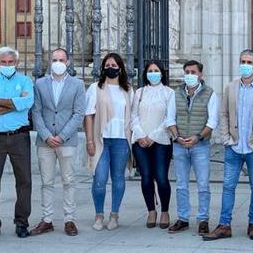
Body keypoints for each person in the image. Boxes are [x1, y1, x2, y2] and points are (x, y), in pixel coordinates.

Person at [204, 50, 253, 241]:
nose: (245, 65)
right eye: (242, 61)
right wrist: (226, 138)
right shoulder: (231, 87)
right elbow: (223, 114)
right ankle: (224, 225)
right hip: (234, 146)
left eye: (249, 62)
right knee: (228, 186)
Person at [0, 46, 34, 239]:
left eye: (11, 62)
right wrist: (14, 103)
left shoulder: (25, 81)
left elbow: (27, 103)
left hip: (19, 137)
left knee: (24, 181)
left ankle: (21, 223)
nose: (7, 65)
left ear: (16, 63)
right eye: (4, 62)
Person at [29, 48, 86, 237]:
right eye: (54, 59)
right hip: (45, 142)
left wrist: (62, 136)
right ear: (49, 62)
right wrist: (46, 135)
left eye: (61, 59)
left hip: (67, 141)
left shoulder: (77, 85)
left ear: (68, 62)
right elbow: (36, 111)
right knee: (46, 182)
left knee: (69, 181)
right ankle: (47, 220)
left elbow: (79, 113)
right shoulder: (40, 84)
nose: (58, 62)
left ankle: (69, 219)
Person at [167, 60, 218, 236]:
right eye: (187, 72)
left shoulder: (210, 94)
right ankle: (183, 219)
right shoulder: (176, 94)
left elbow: (213, 121)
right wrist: (177, 137)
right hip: (180, 145)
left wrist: (197, 137)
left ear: (200, 74)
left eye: (193, 72)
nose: (189, 75)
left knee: (203, 184)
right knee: (181, 184)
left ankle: (203, 219)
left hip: (200, 145)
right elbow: (170, 119)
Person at [85, 52, 134, 231]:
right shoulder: (95, 88)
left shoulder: (128, 90)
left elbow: (133, 115)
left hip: (121, 140)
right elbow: (88, 115)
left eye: (114, 66)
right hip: (101, 140)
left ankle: (114, 214)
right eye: (107, 65)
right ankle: (99, 214)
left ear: (120, 69)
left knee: (119, 178)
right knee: (99, 178)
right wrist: (89, 140)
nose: (110, 68)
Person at [132, 61, 176, 229]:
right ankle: (151, 210)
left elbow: (169, 119)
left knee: (161, 177)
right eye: (150, 71)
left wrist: (153, 136)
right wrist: (141, 135)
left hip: (161, 141)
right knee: (146, 177)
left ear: (162, 73)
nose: (153, 73)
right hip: (140, 141)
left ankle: (164, 211)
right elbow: (134, 116)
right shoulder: (139, 92)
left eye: (156, 70)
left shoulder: (169, 93)